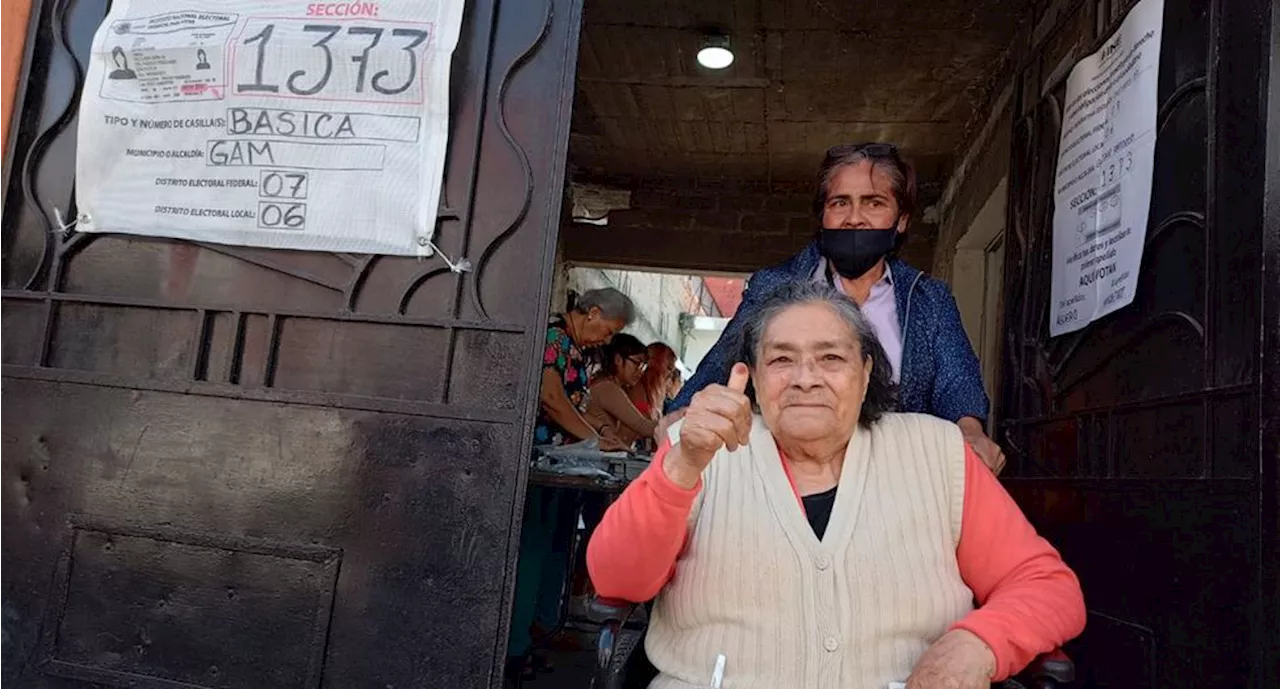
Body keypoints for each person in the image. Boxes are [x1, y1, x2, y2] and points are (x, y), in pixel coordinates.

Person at [588, 282, 1085, 689]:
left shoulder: (938, 452)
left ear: (866, 373)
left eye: (831, 358)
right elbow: (616, 581)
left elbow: (1046, 588)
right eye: (781, 360)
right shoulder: (697, 448)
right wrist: (682, 466)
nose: (806, 378)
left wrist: (980, 643)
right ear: (754, 377)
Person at [667, 143, 1005, 473]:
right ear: (823, 214)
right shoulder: (773, 287)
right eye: (840, 202)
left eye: (874, 203)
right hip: (790, 479)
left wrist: (971, 432)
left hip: (897, 480)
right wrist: (682, 415)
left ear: (901, 219)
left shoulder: (928, 298)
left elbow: (957, 382)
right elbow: (722, 367)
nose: (854, 218)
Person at [509, 288, 636, 681]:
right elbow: (551, 397)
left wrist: (600, 433)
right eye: (608, 331)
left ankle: (537, 637)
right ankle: (514, 648)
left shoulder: (578, 352)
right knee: (532, 554)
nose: (607, 340)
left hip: (566, 468)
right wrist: (594, 441)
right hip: (541, 466)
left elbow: (576, 404)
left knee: (554, 552)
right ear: (592, 312)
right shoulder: (554, 339)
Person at [586, 334, 658, 448]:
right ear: (618, 359)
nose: (640, 371)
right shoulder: (607, 388)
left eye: (643, 366)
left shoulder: (607, 383)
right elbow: (644, 427)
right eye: (637, 363)